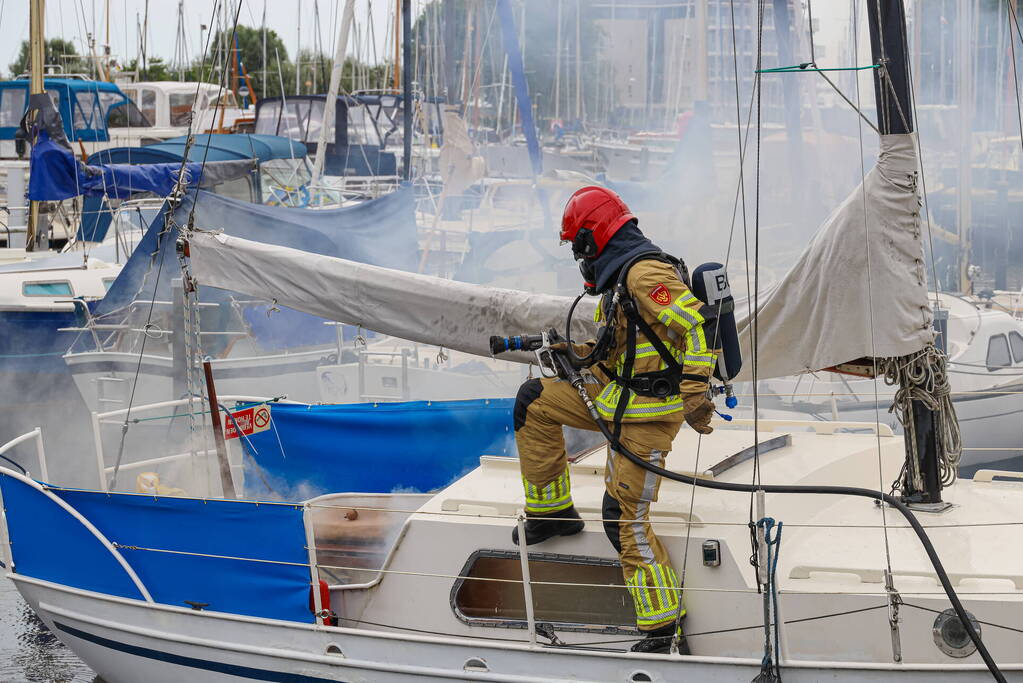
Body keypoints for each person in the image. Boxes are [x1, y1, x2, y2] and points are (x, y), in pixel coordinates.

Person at [512, 186, 718, 654]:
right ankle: (552, 513)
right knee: (535, 401)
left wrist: (693, 392)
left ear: (595, 237)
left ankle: (664, 629)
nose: (579, 258)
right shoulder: (619, 282)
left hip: (647, 416)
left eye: (579, 246)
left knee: (623, 519)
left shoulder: (645, 274)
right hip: (617, 399)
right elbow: (621, 352)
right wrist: (573, 355)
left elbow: (697, 326)